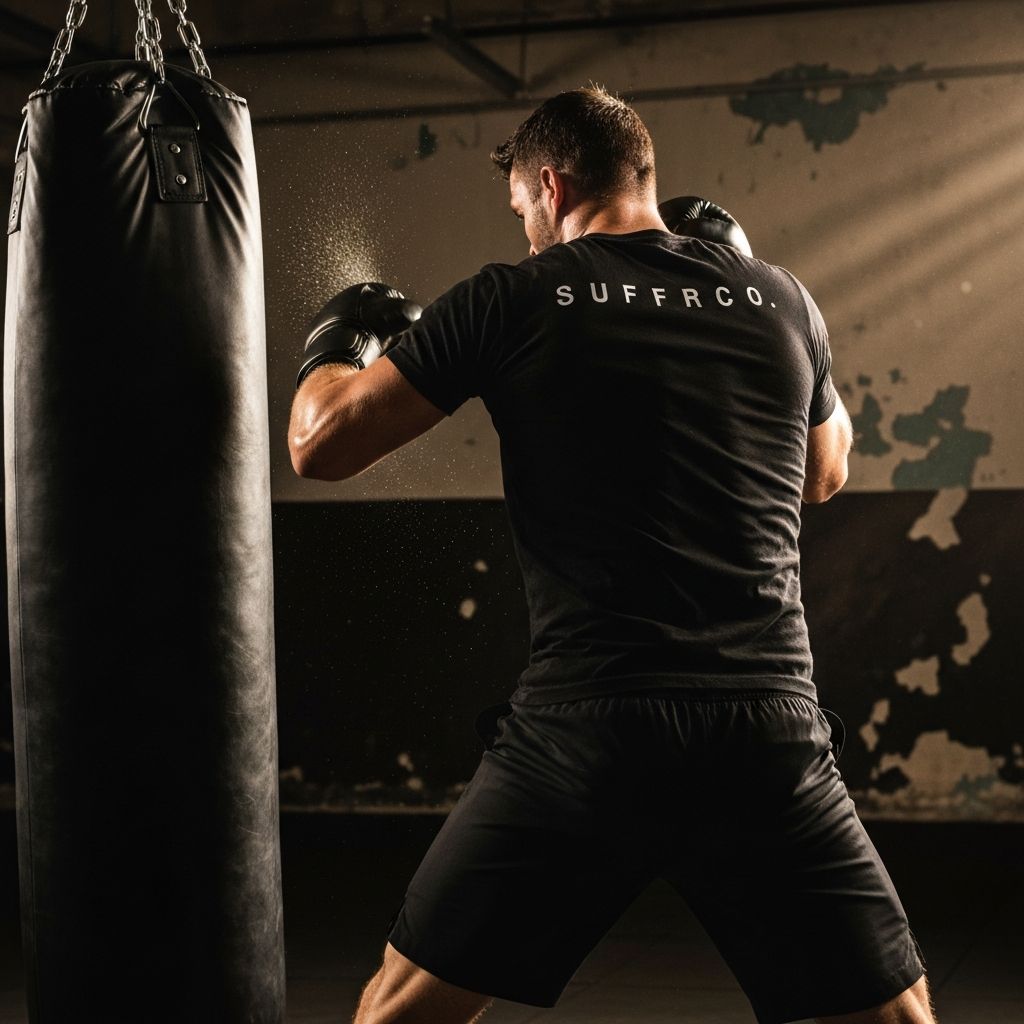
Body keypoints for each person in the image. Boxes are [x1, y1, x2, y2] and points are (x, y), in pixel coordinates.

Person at [288, 86, 936, 1024]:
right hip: (761, 730)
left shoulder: (512, 296)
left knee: (397, 1013)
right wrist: (734, 294)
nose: (526, 232)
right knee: (900, 1017)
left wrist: (341, 336)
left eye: (521, 208)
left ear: (550, 186)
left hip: (586, 732)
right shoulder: (780, 297)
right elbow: (826, 474)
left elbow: (319, 445)